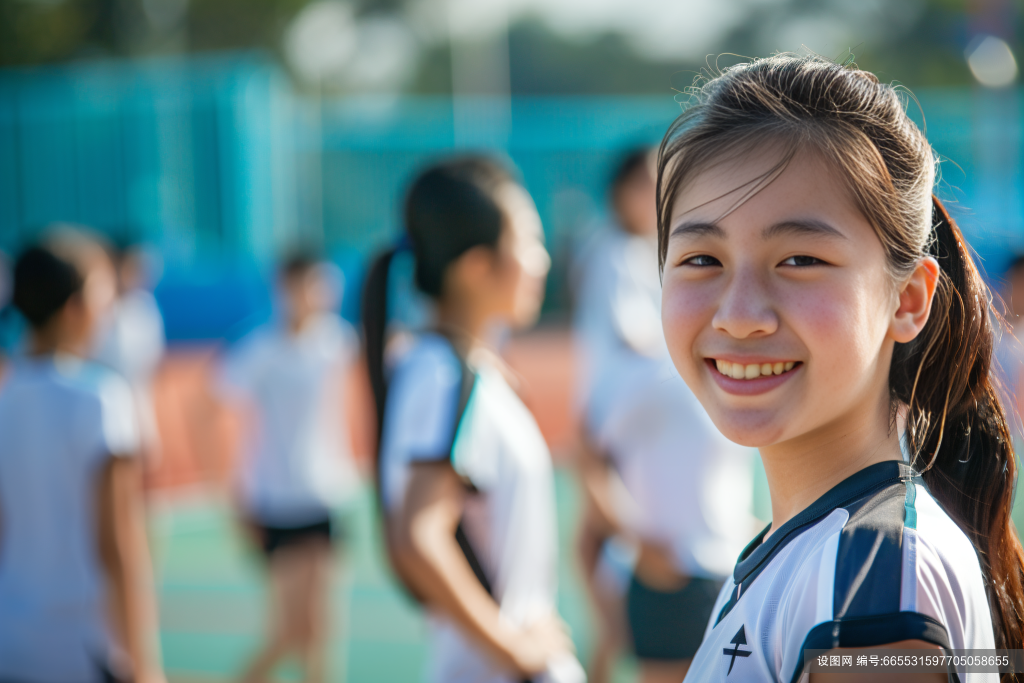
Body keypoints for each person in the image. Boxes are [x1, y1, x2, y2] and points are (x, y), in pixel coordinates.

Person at [656, 53, 1024, 683]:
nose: (740, 316)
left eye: (800, 259)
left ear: (907, 300)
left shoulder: (872, 580)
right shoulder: (821, 554)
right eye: (701, 259)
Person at [362, 156, 586, 683]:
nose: (542, 259)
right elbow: (416, 539)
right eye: (529, 241)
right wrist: (516, 652)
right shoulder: (444, 377)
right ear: (476, 267)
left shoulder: (463, 371)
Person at [572, 149, 755, 683]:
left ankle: (609, 642)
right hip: (624, 413)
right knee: (601, 554)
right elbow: (636, 337)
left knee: (605, 571)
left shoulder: (654, 253)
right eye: (647, 184)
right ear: (620, 192)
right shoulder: (616, 255)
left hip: (643, 415)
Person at [0, 229, 165, 683]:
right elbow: (119, 543)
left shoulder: (5, 398)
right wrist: (145, 665)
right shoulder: (101, 397)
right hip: (79, 645)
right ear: (76, 308)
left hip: (10, 642)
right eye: (103, 297)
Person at [217, 253, 359, 683]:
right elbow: (207, 407)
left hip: (328, 495)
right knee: (290, 631)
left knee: (324, 630)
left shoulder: (337, 340)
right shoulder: (260, 349)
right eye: (309, 283)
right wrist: (230, 490)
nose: (320, 293)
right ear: (286, 288)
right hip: (276, 500)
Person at [94, 243, 166, 466]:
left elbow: (149, 366)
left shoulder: (144, 308)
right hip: (98, 410)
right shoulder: (95, 309)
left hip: (137, 406)